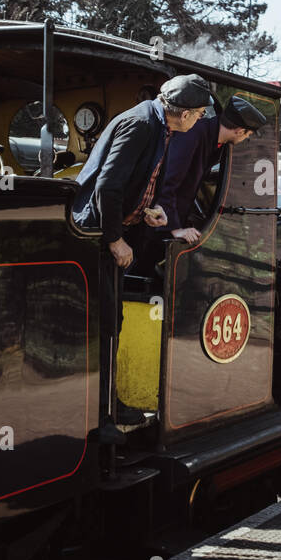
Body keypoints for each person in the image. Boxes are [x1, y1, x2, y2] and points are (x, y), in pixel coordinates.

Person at [70, 74, 211, 438]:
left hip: (108, 233)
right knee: (101, 325)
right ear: (183, 113)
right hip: (95, 237)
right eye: (197, 114)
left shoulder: (158, 124)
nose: (197, 121)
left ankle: (108, 406)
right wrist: (116, 239)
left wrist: (148, 210)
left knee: (111, 320)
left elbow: (132, 183)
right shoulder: (140, 124)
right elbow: (108, 185)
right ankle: (95, 419)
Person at [155, 95, 268, 244]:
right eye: (248, 135)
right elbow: (165, 181)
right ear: (240, 131)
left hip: (171, 221)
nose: (245, 139)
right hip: (157, 226)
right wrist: (175, 229)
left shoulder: (213, 140)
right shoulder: (192, 134)